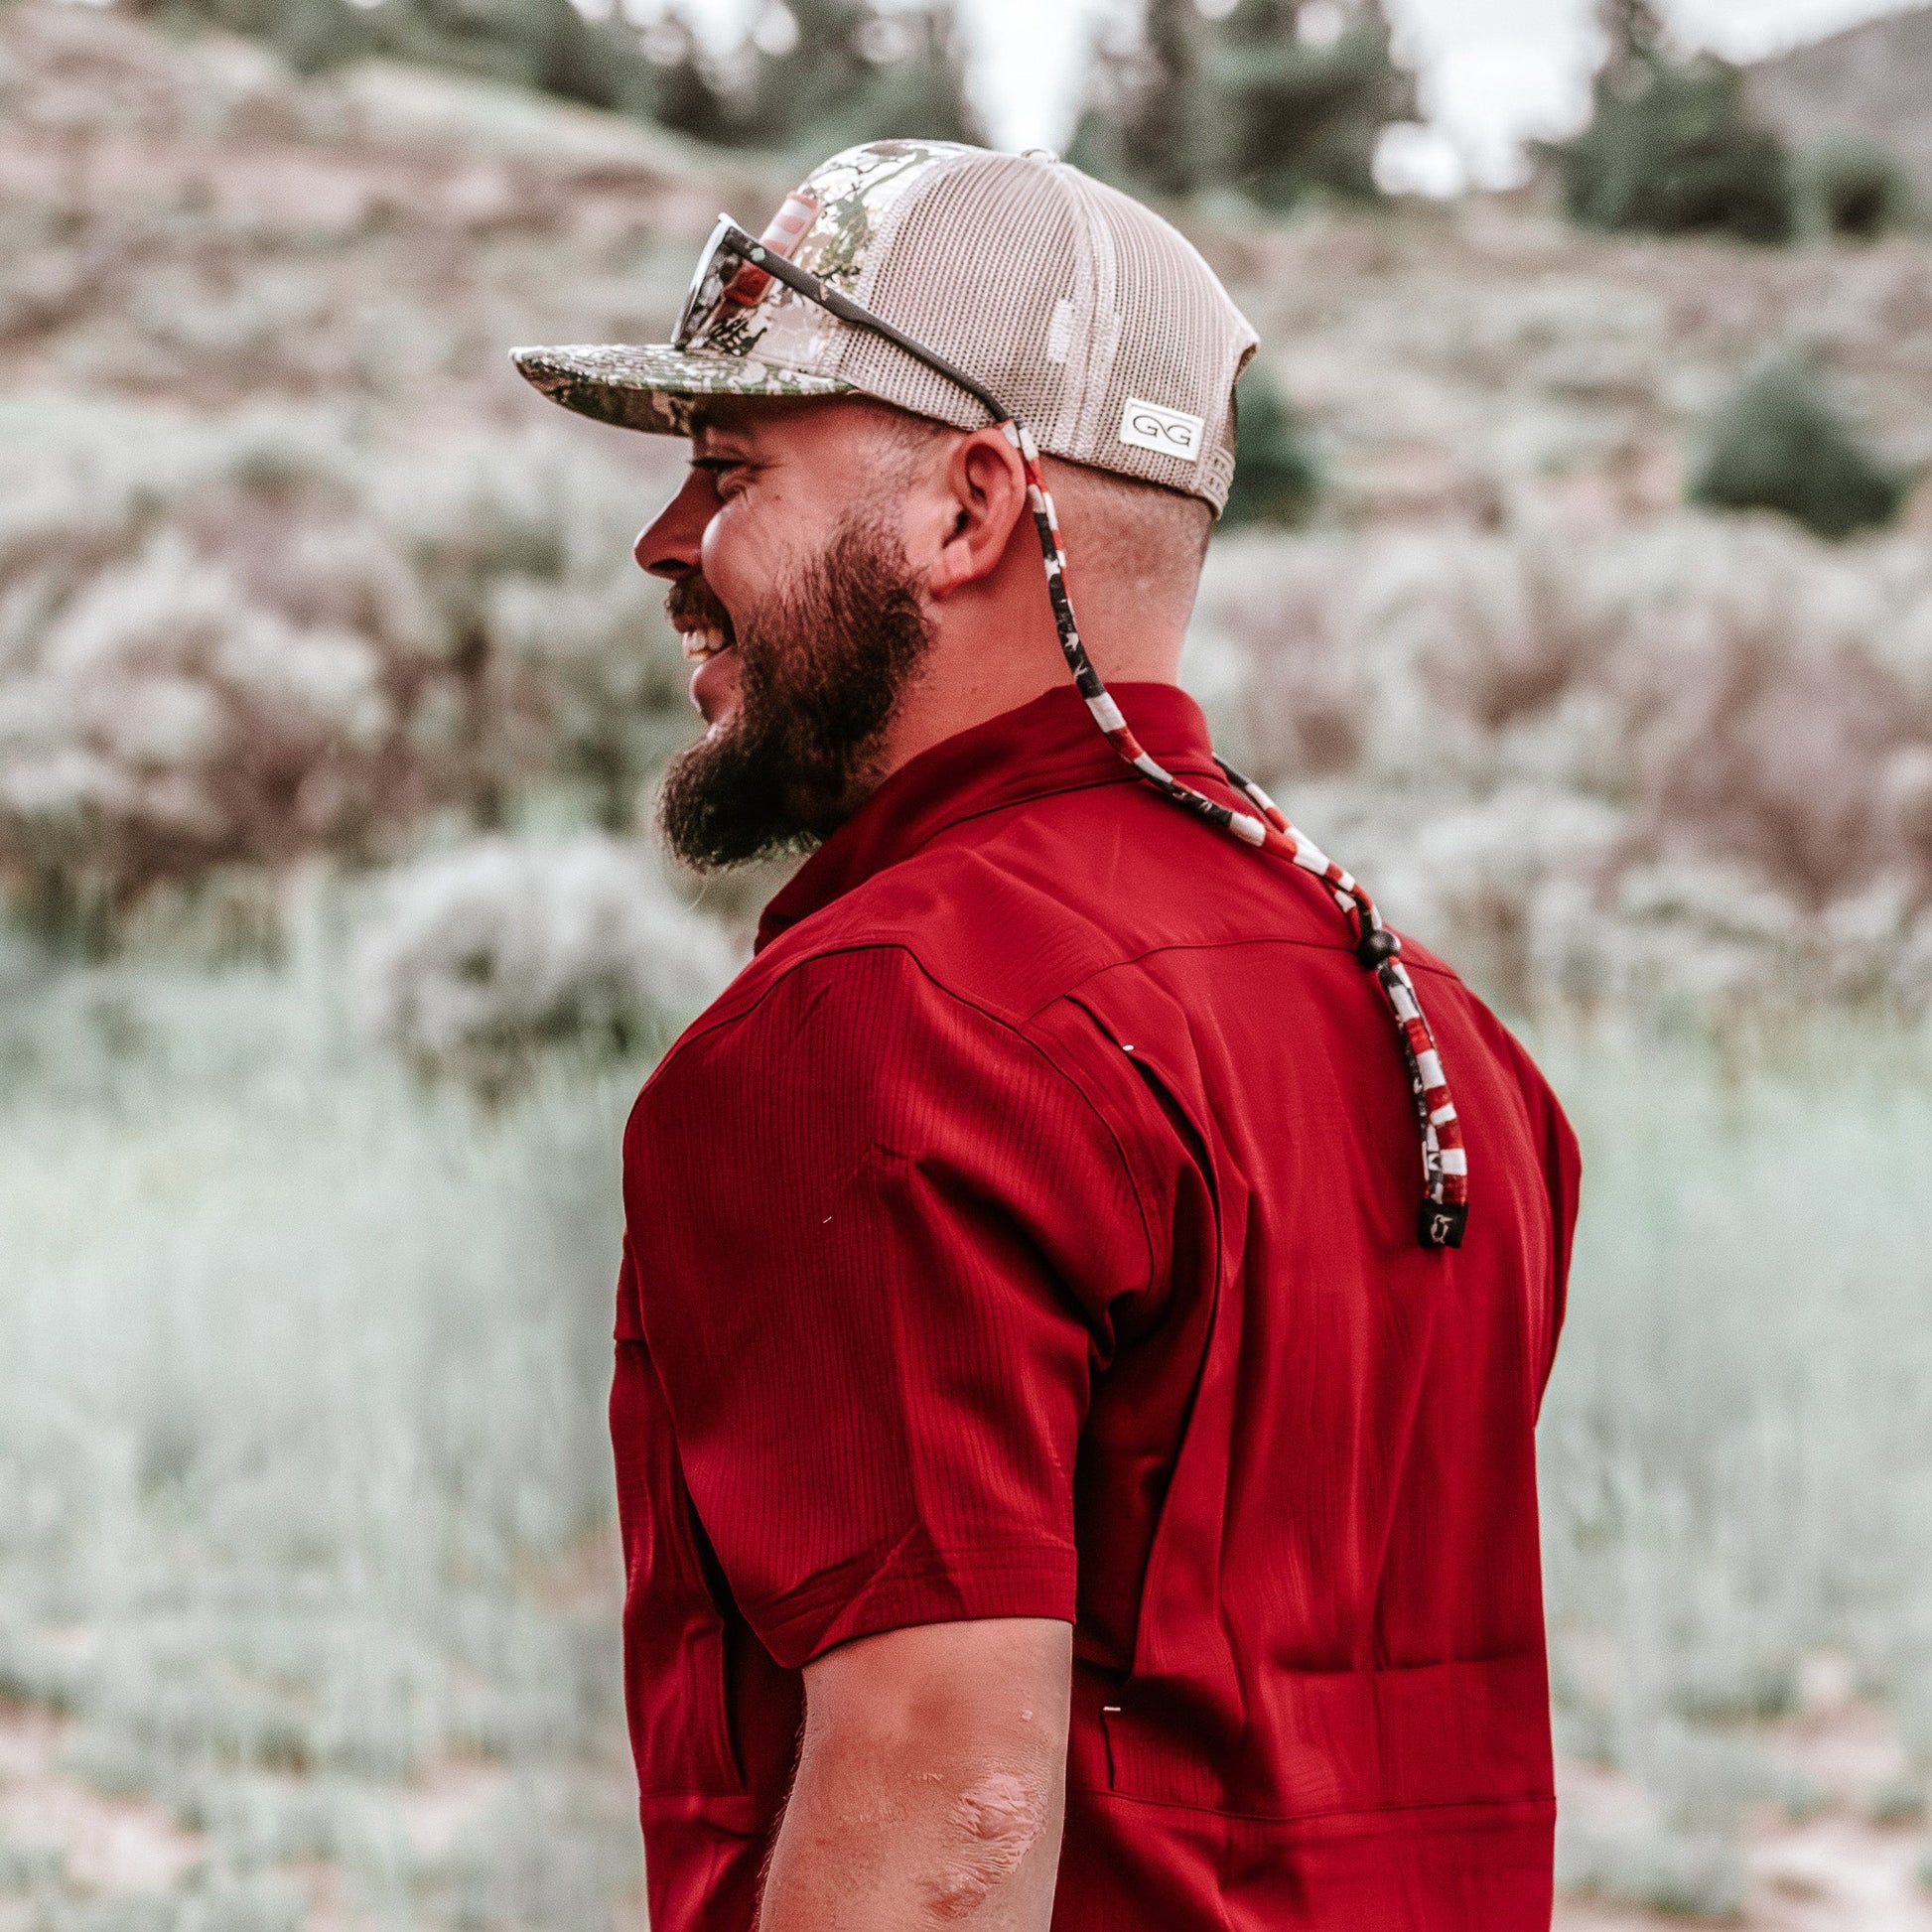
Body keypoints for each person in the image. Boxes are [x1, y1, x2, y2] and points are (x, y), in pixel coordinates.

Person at [512, 140, 1580, 1932]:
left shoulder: (884, 1027)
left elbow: (945, 1827)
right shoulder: (1437, 1036)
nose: (665, 543)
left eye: (731, 470)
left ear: (969, 508)